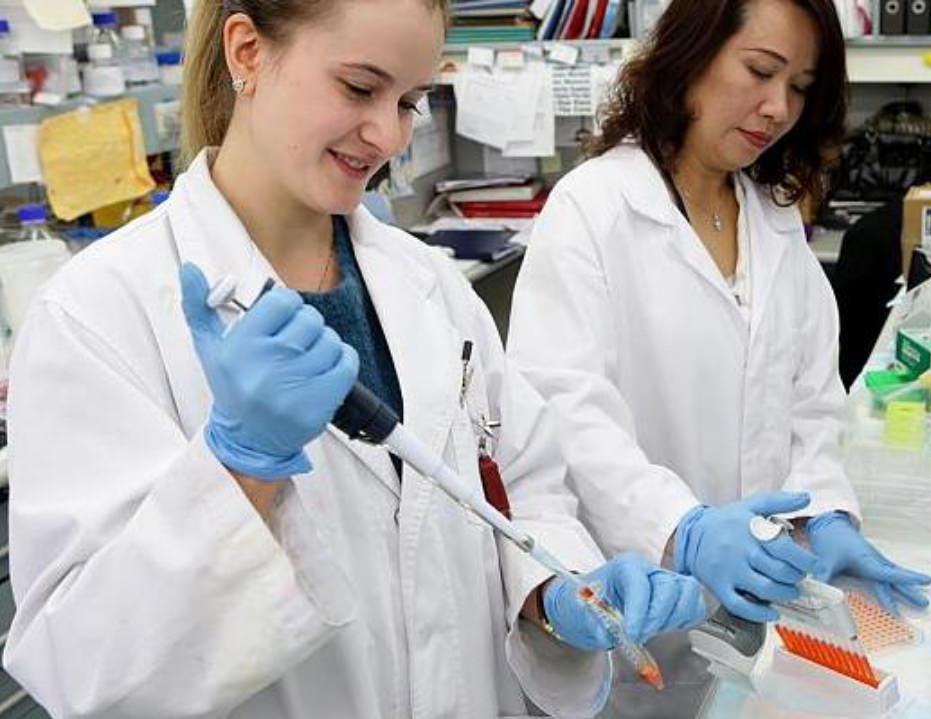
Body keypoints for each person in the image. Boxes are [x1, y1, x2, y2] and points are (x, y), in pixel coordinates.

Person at [1, 1, 706, 717]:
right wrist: (240, 466)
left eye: (409, 100)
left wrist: (556, 592)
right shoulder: (98, 314)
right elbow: (83, 666)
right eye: (359, 88)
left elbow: (518, 485)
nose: (388, 134)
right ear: (246, 51)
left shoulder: (429, 285)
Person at [506, 0, 931, 713]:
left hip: (758, 628)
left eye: (799, 87)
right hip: (634, 617)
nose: (777, 108)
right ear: (691, 55)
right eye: (761, 71)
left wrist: (825, 511)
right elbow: (563, 413)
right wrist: (683, 526)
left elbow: (810, 396)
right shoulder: (593, 209)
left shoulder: (772, 213)